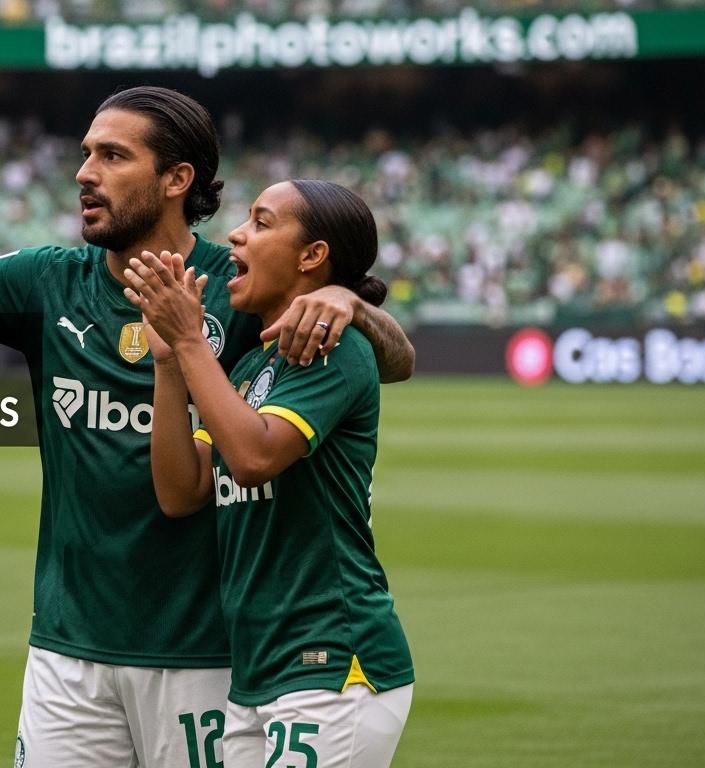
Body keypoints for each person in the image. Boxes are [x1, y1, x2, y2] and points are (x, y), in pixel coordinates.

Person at [0, 87, 415, 767]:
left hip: (207, 655)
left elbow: (392, 361)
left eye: (112, 156)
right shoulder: (46, 280)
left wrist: (346, 301)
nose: (84, 172)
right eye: (86, 153)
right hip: (67, 654)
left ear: (176, 179)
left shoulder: (240, 288)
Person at [126, 180, 413, 768]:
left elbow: (254, 460)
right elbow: (183, 491)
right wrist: (169, 362)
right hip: (258, 669)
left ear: (313, 255)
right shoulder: (251, 366)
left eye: (261, 222)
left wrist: (190, 338)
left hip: (331, 658)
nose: (236, 234)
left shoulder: (335, 350)